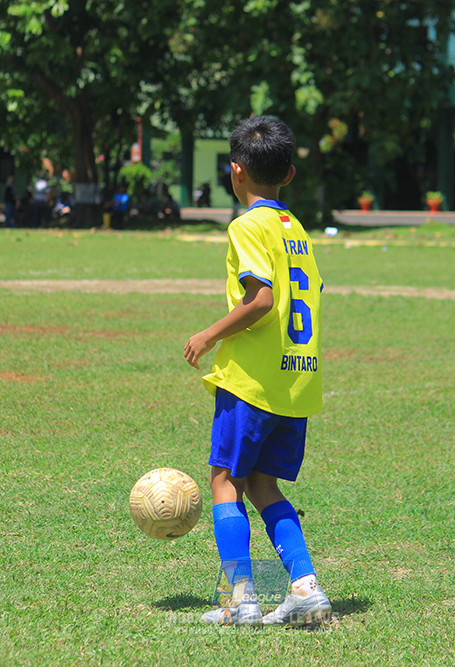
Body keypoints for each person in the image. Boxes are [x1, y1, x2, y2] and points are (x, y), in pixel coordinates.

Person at [184, 116, 331, 627]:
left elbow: (262, 299)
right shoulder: (297, 230)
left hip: (253, 379)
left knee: (225, 478)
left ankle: (240, 599)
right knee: (263, 484)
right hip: (295, 379)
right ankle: (305, 588)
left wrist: (209, 334)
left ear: (235, 170)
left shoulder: (247, 225)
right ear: (288, 174)